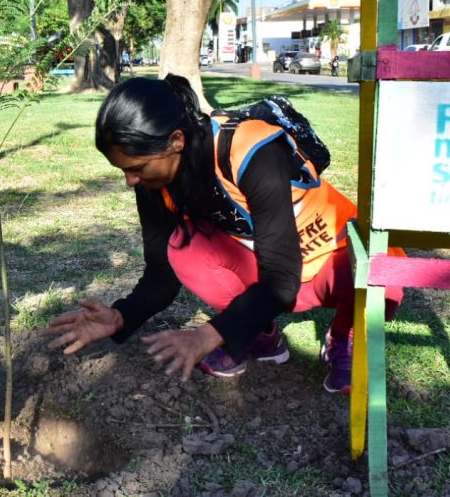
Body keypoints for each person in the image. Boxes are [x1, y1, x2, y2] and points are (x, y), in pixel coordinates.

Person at [45, 75, 403, 394]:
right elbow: (161, 275)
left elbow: (281, 279)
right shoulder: (154, 182)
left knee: (384, 277)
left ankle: (346, 335)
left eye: (136, 168)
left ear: (175, 140)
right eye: (123, 170)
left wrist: (207, 335)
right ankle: (259, 335)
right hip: (274, 273)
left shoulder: (251, 148)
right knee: (183, 248)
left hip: (333, 262)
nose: (130, 180)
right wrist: (122, 316)